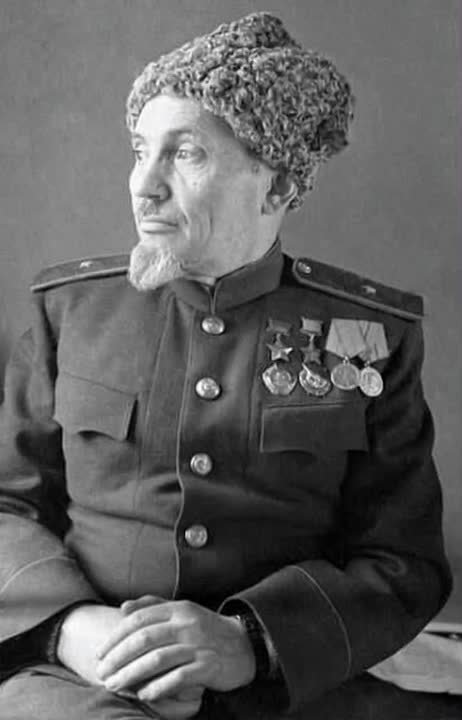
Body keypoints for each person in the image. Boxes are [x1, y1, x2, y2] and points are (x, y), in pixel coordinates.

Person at [0, 11, 452, 720]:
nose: (143, 185)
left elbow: (403, 561)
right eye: (140, 150)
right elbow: (9, 506)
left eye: (185, 154)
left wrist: (252, 642)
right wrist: (72, 629)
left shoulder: (366, 333)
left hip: (288, 686)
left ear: (276, 188)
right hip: (84, 680)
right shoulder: (70, 312)